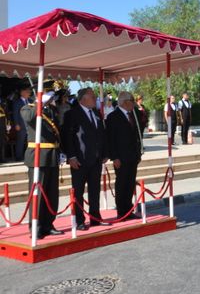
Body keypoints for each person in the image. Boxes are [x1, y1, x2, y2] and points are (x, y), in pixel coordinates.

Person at [62, 88, 110, 230]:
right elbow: (67, 137)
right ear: (83, 99)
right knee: (78, 192)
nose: (95, 99)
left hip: (95, 159)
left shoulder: (96, 113)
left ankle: (95, 217)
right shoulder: (72, 114)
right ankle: (79, 220)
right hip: (79, 160)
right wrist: (71, 156)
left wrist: (104, 153)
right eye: (92, 96)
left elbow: (102, 133)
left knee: (94, 190)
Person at [22, 87, 64, 239]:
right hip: (38, 157)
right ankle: (36, 226)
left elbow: (57, 131)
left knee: (52, 194)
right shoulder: (27, 108)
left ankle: (48, 224)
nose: (50, 96)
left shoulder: (51, 110)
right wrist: (39, 102)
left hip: (52, 156)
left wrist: (62, 151)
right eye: (47, 93)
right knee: (38, 194)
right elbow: (30, 119)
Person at [106, 91, 143, 221]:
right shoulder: (113, 117)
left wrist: (138, 153)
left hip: (132, 156)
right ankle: (121, 211)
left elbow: (137, 135)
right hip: (120, 157)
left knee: (130, 183)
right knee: (121, 184)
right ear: (125, 102)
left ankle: (128, 209)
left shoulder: (133, 115)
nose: (133, 103)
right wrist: (114, 157)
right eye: (132, 100)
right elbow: (110, 139)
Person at [12, 85, 31, 161]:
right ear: (22, 93)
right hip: (21, 125)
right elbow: (15, 114)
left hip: (30, 126)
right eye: (27, 92)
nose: (29, 93)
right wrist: (16, 124)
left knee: (29, 142)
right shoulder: (17, 102)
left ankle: (28, 156)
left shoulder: (30, 101)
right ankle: (18, 156)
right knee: (20, 141)